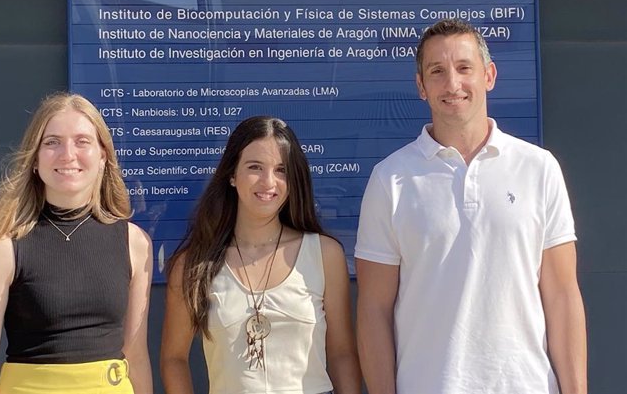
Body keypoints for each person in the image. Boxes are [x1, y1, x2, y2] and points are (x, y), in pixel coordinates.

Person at [355, 19, 587, 394]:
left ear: (489, 75)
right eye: (437, 71)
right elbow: (373, 310)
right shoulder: (390, 179)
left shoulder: (539, 168)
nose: (452, 84)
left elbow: (562, 296)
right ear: (421, 86)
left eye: (465, 68)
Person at [0, 93, 153, 394]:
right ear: (34, 159)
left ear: (103, 155)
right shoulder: (1, 246)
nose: (68, 154)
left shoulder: (134, 243)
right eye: (52, 142)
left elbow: (137, 356)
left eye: (82, 141)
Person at [161, 116, 360, 394]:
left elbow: (342, 354)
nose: (269, 181)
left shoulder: (324, 254)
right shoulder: (194, 264)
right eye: (255, 167)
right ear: (232, 174)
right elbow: (173, 359)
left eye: (281, 170)